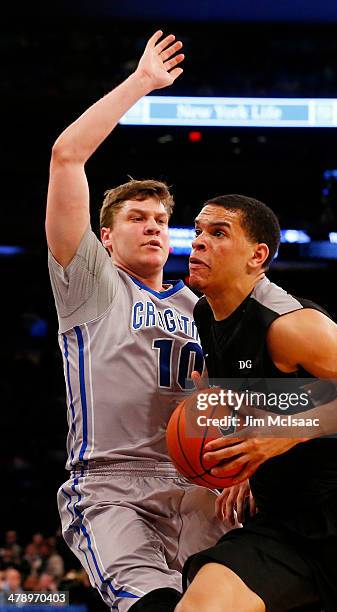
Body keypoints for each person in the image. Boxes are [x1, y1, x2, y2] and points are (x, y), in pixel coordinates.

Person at [176, 194, 337, 612]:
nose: (199, 242)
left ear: (257, 256)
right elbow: (266, 402)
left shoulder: (289, 326)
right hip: (281, 520)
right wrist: (249, 462)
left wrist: (287, 433)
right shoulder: (207, 315)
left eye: (218, 232)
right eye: (198, 232)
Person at [46, 31, 227, 612]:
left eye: (161, 219)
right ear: (104, 236)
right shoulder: (92, 284)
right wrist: (143, 83)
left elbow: (237, 395)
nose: (154, 226)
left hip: (201, 487)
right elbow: (67, 155)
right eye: (137, 218)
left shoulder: (204, 308)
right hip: (114, 485)